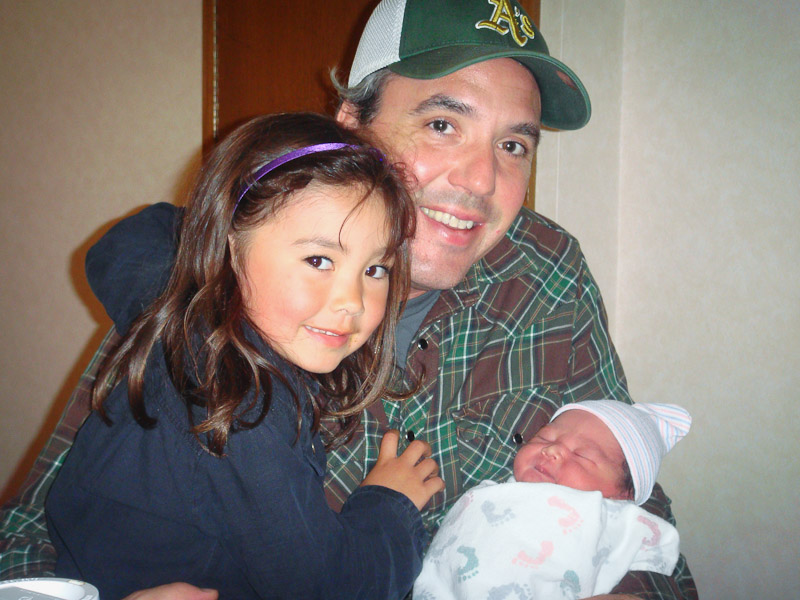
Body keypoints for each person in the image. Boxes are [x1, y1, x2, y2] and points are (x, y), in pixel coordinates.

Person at [1, 1, 697, 598]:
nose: (482, 179)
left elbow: (637, 497)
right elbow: (34, 528)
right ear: (350, 125)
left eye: (513, 144)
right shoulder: (211, 285)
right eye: (443, 124)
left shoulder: (545, 274)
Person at [43, 112, 445, 599]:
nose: (353, 302)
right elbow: (327, 587)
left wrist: (213, 237)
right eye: (319, 260)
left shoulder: (176, 308)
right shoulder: (246, 408)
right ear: (230, 248)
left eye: (376, 269)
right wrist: (390, 504)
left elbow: (137, 236)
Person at [413, 401, 692, 600]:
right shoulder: (492, 492)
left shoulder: (614, 516)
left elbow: (661, 549)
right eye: (544, 437)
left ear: (622, 495)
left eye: (582, 455)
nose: (552, 450)